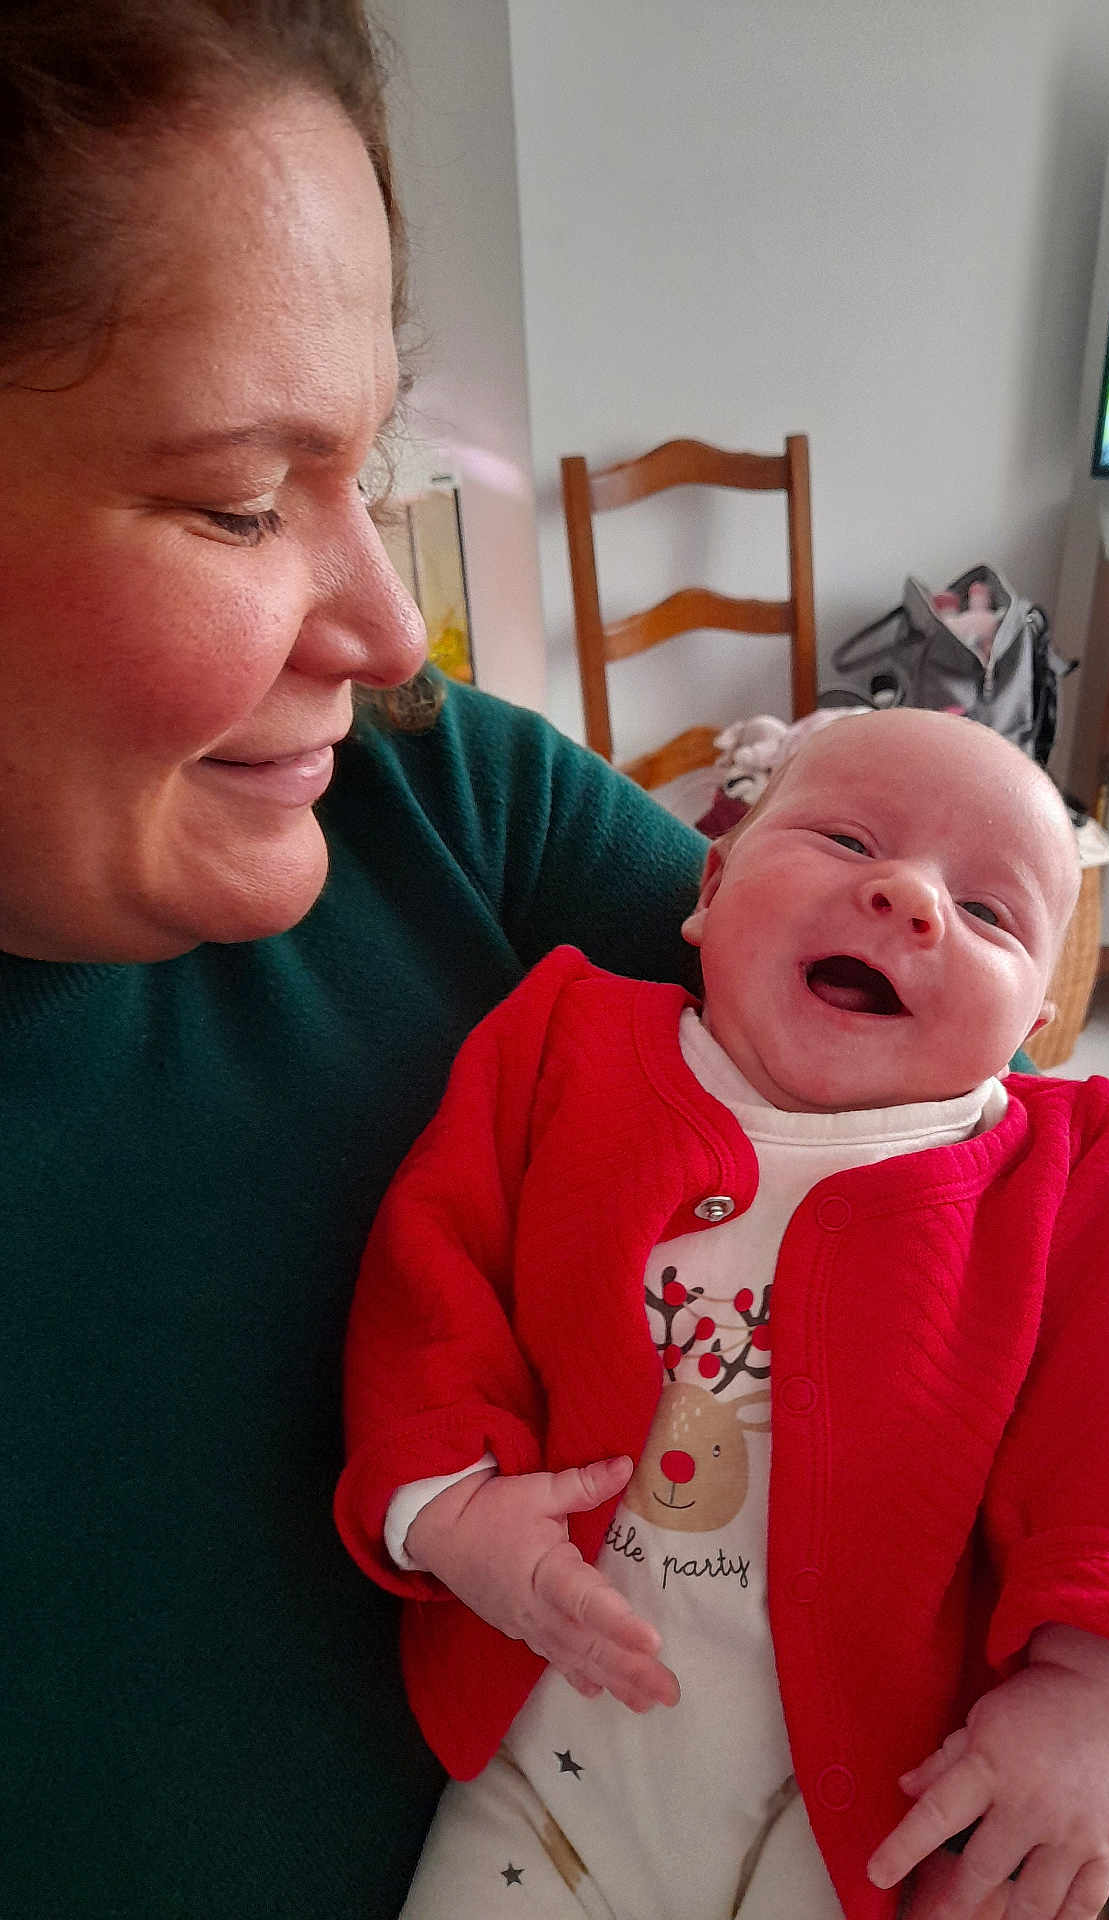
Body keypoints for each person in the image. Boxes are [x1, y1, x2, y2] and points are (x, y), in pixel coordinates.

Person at [0, 6, 709, 1917]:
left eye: (367, 455)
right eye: (242, 501)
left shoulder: (445, 806)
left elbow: (1016, 1211)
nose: (397, 632)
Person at [336, 712, 1109, 1920]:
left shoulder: (1052, 1168)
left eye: (991, 914)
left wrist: (1097, 1693)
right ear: (710, 884)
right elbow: (431, 1270)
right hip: (546, 1758)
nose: (908, 897)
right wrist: (450, 1508)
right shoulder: (563, 1040)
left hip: (858, 1804)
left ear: (1030, 1025)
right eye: (848, 838)